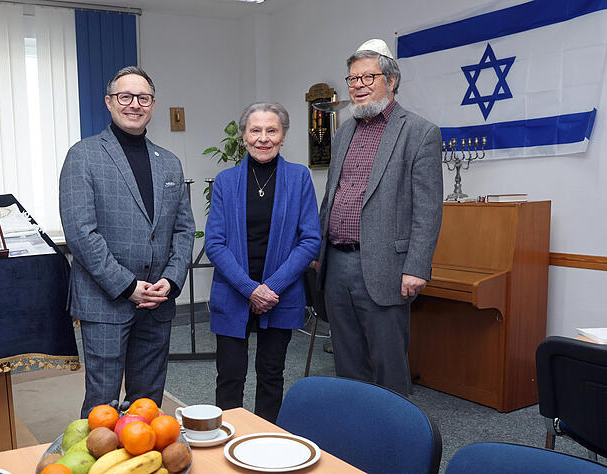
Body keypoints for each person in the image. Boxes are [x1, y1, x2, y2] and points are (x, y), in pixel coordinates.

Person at [59, 66, 195, 417]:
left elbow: (183, 230)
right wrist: (127, 285)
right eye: (125, 96)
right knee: (102, 406)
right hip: (106, 302)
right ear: (109, 102)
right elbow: (81, 233)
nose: (134, 104)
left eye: (143, 97)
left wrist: (172, 280)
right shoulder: (83, 156)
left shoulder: (170, 163)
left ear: (152, 104)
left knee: (147, 405)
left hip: (157, 302)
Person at [317, 39, 443, 396]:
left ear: (391, 80)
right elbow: (332, 196)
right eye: (352, 79)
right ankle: (356, 436)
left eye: (367, 77)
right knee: (347, 361)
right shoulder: (343, 133)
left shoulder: (419, 132)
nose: (357, 86)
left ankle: (396, 442)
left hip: (386, 266)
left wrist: (417, 266)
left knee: (389, 365)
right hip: (336, 264)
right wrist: (317, 249)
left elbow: (428, 207)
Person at [205, 102, 321, 422]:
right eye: (255, 130)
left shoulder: (299, 178)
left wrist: (270, 287)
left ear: (283, 136)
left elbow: (310, 239)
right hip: (233, 293)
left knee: (271, 376)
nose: (263, 138)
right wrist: (249, 289)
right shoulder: (226, 181)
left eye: (272, 130)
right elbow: (214, 243)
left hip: (279, 296)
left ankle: (266, 445)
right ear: (243, 136)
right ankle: (226, 445)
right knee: (229, 377)